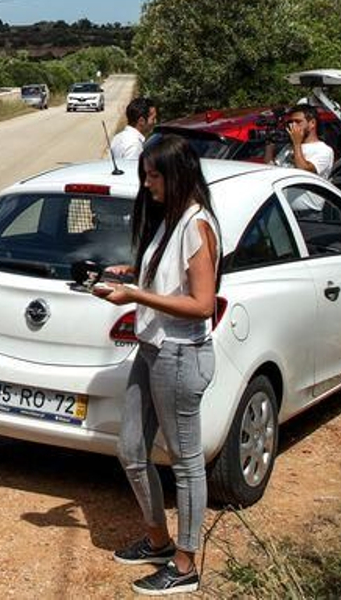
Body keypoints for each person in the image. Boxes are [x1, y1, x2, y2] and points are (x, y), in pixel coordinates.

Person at [93, 135, 219, 596]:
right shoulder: (171, 221)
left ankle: (185, 565)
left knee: (186, 464)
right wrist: (133, 274)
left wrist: (135, 296)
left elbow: (202, 304)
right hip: (151, 349)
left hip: (180, 354)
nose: (147, 185)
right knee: (130, 449)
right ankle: (158, 541)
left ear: (177, 174)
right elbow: (171, 280)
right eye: (145, 175)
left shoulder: (196, 226)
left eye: (153, 175)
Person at [265, 103, 334, 178]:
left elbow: (304, 171)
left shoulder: (324, 150)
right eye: (291, 122)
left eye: (298, 122)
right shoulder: (289, 147)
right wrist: (269, 144)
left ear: (312, 123)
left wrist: (297, 143)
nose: (293, 126)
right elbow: (272, 168)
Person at [111, 96, 159, 163]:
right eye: (153, 119)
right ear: (141, 121)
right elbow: (132, 171)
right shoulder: (134, 145)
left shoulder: (118, 137)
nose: (155, 122)